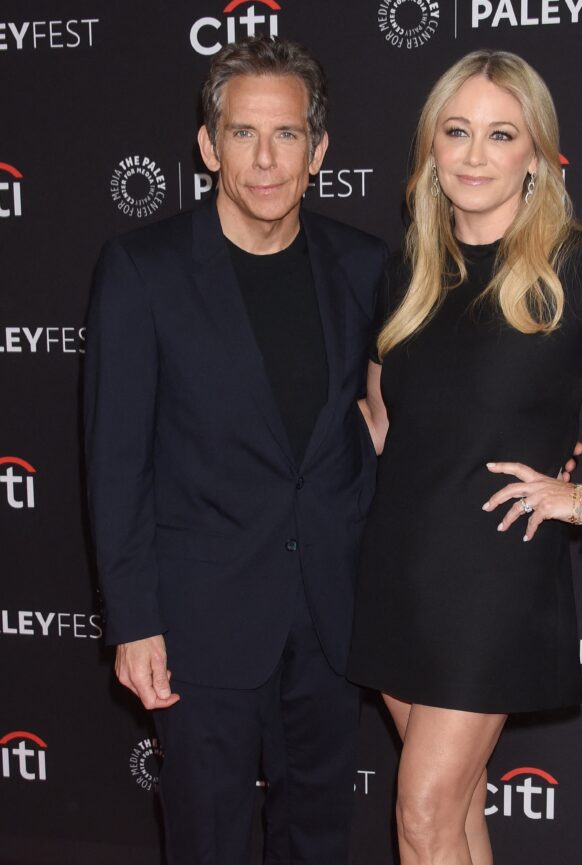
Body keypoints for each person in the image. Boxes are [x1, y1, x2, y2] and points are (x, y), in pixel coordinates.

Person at [348, 50, 582, 865]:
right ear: (431, 149)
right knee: (455, 806)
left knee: (419, 815)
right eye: (457, 131)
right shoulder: (405, 271)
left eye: (500, 133)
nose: (475, 155)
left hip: (492, 576)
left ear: (537, 155)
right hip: (398, 565)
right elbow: (382, 416)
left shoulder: (578, 265)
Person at [84, 36, 388, 865]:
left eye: (287, 134)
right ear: (208, 144)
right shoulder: (141, 271)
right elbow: (116, 461)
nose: (265, 159)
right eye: (243, 134)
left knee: (319, 837)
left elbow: (430, 398)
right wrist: (135, 620)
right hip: (198, 618)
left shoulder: (363, 267)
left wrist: (540, 440)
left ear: (319, 150)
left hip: (330, 611)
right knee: (207, 839)